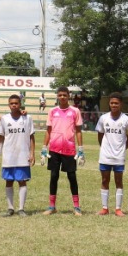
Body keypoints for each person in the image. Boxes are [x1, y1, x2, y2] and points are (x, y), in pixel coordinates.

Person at [45, 86, 85, 215]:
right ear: (57, 96)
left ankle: (76, 206)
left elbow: (78, 131)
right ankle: (52, 206)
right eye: (60, 95)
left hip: (69, 149)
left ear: (69, 96)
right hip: (54, 148)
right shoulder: (52, 111)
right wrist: (44, 148)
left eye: (64, 95)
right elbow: (48, 130)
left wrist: (81, 148)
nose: (62, 97)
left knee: (72, 177)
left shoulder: (75, 111)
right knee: (54, 176)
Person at [0, 93, 35, 216]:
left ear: (20, 104)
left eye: (16, 103)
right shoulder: (4, 119)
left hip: (23, 155)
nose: (14, 105)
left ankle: (21, 209)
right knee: (9, 181)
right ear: (9, 105)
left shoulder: (27, 118)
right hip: (8, 155)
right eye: (11, 103)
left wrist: (32, 153)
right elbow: (1, 137)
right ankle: (10, 208)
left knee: (22, 181)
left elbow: (31, 137)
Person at [96, 94, 128, 216]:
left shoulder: (127, 120)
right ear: (109, 104)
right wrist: (105, 149)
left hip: (119, 156)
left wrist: (122, 149)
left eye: (116, 103)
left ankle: (118, 209)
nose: (114, 105)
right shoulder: (103, 118)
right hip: (105, 156)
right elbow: (100, 135)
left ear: (120, 104)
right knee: (105, 180)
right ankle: (104, 208)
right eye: (112, 103)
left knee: (119, 181)